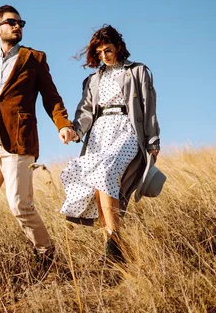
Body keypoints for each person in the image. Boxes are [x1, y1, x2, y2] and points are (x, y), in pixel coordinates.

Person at [0, 5, 77, 272]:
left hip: (19, 141)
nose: (18, 26)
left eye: (20, 22)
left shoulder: (33, 58)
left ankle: (45, 252)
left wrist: (63, 124)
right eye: (11, 22)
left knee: (20, 205)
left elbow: (51, 96)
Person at [60, 24, 160, 263]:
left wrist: (153, 139)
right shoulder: (93, 79)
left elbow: (149, 106)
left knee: (105, 173)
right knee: (96, 181)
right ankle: (113, 248)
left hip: (126, 128)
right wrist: (75, 131)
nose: (104, 56)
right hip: (99, 132)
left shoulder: (137, 71)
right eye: (99, 52)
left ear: (118, 48)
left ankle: (113, 239)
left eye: (108, 50)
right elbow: (85, 111)